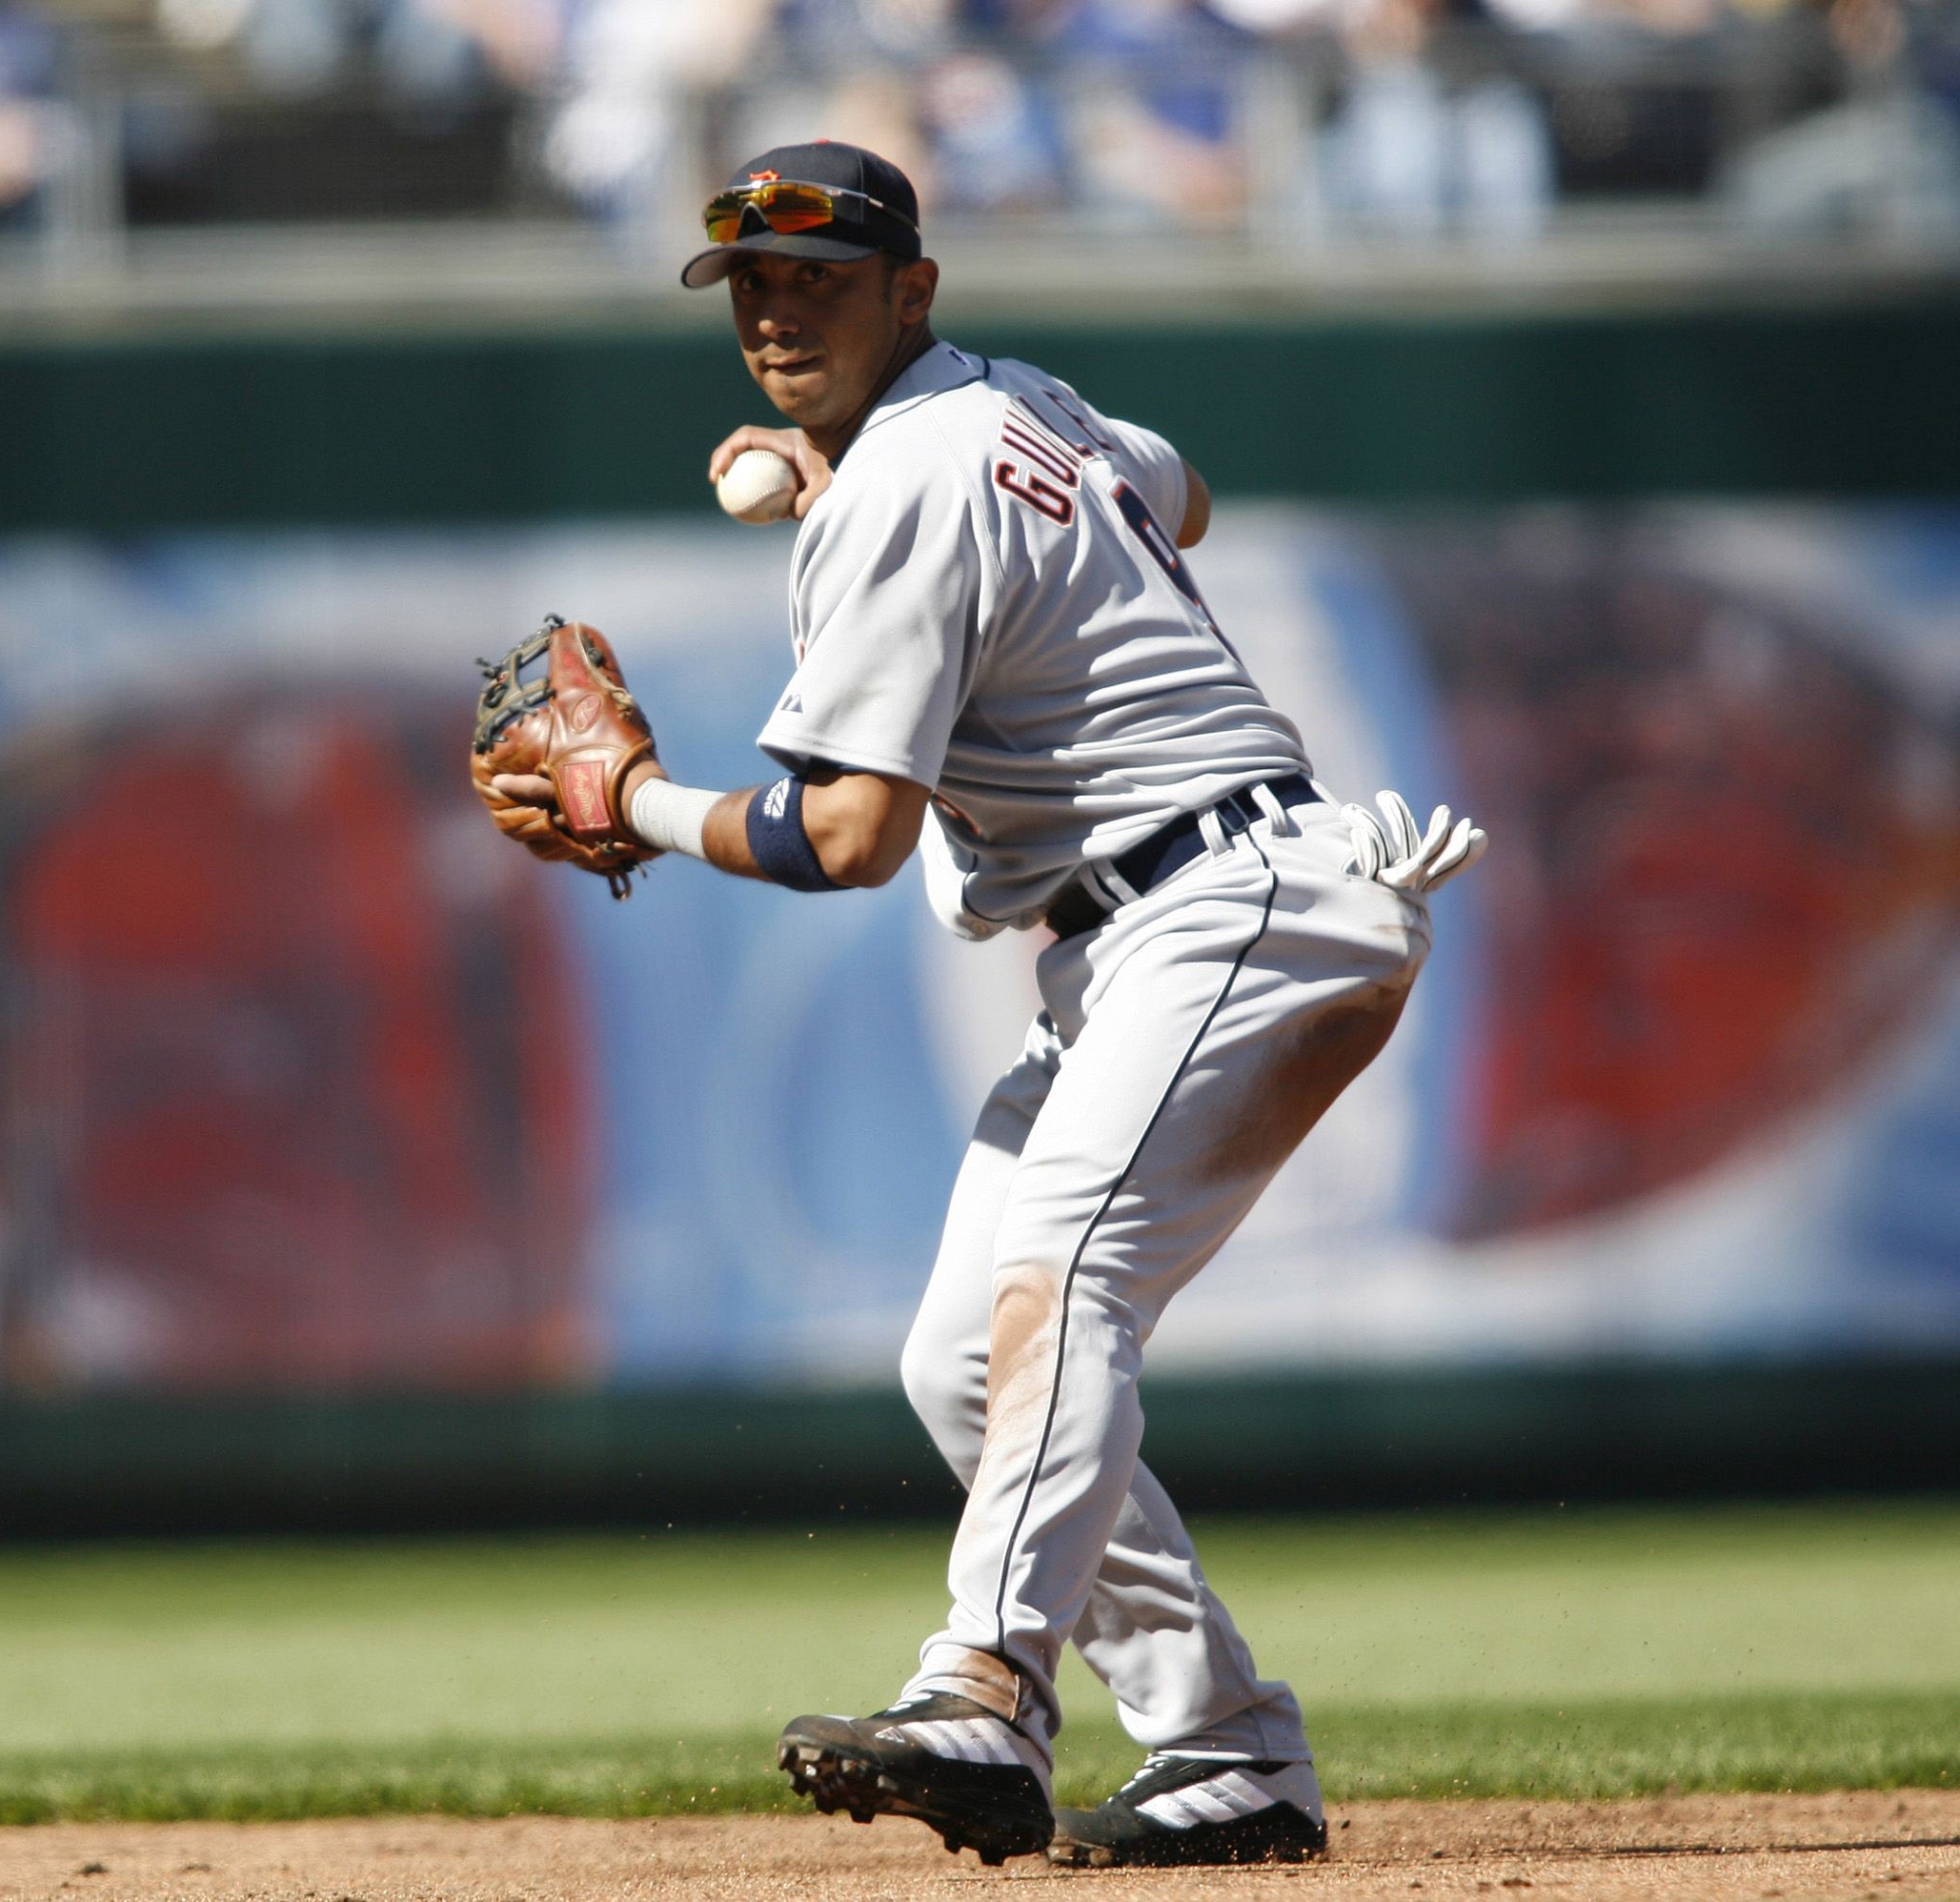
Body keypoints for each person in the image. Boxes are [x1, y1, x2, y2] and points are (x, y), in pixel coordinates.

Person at [487, 139, 1485, 1868]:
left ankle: (986, 1688)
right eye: (754, 285)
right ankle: (1226, 1750)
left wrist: (632, 805)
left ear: (911, 290)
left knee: (1065, 1282)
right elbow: (1178, 497)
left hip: (1226, 904)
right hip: (1169, 925)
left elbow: (846, 838)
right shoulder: (1018, 406)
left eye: (822, 276)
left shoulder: (907, 484)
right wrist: (845, 470)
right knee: (964, 1359)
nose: (780, 310)